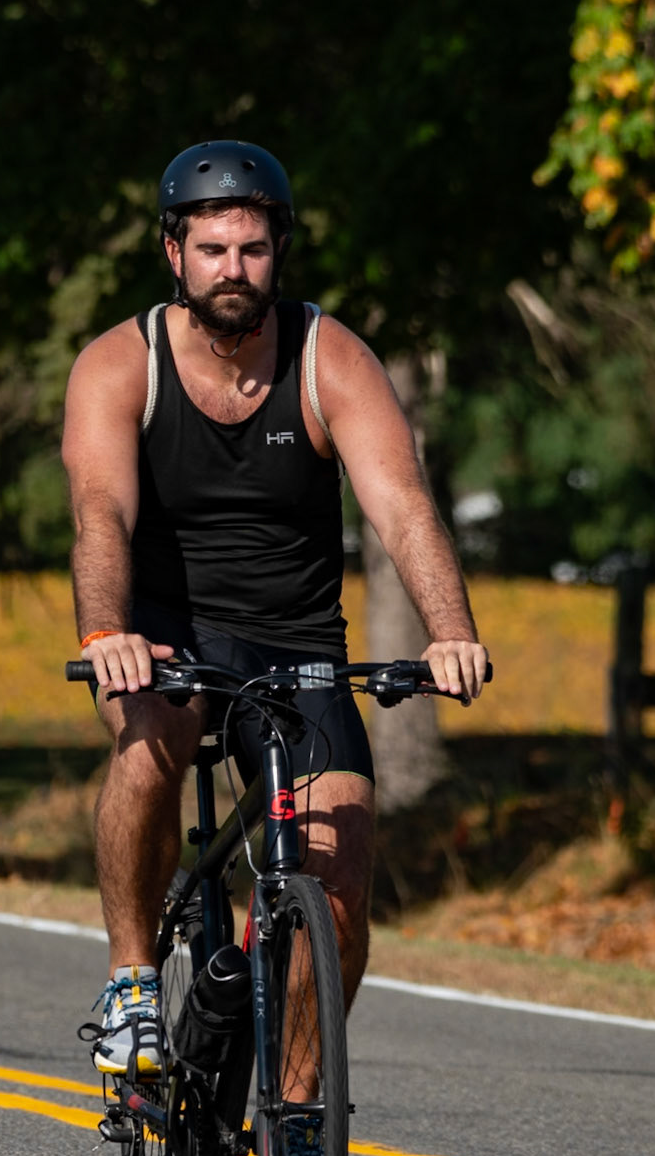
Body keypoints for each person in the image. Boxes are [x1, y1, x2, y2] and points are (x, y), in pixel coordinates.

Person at [62, 138, 488, 1086]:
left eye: (251, 249)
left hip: (299, 642)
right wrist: (106, 632)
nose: (232, 269)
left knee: (339, 881)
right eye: (211, 249)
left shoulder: (329, 357)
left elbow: (401, 506)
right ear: (173, 253)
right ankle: (132, 982)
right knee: (151, 741)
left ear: (278, 251)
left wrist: (449, 631)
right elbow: (100, 513)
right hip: (162, 632)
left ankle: (295, 1117)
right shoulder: (119, 364)